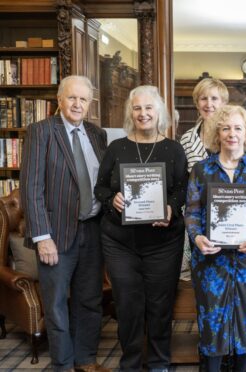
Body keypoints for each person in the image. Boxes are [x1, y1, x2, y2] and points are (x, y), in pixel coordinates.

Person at [94, 85, 187, 371]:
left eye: (148, 108)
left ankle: (159, 361)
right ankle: (131, 362)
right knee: (128, 305)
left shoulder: (173, 148)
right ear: (130, 113)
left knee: (160, 305)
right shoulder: (116, 148)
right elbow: (100, 189)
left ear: (159, 112)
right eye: (137, 108)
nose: (143, 113)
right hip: (120, 242)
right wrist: (114, 199)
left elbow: (183, 189)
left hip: (163, 242)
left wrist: (170, 208)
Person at [20, 75, 109, 372]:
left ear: (89, 104)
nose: (77, 104)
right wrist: (42, 237)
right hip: (56, 234)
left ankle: (85, 360)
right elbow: (32, 188)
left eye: (83, 99)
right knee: (57, 304)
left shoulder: (97, 134)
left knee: (90, 301)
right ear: (59, 100)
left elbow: (103, 183)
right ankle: (63, 364)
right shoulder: (41, 131)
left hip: (93, 229)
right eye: (72, 98)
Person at [185, 105, 246, 372]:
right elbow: (191, 212)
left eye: (238, 128)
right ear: (217, 132)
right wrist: (198, 237)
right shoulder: (201, 170)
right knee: (213, 320)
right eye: (225, 128)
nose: (231, 134)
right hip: (212, 261)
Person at [180, 77, 229, 173]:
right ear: (197, 104)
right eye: (203, 98)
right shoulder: (187, 139)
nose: (209, 104)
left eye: (214, 98)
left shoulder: (233, 135)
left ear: (223, 103)